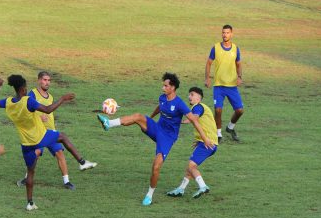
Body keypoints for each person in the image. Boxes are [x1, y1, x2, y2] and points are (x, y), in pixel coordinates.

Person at [97, 73, 214, 206]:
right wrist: (150, 118)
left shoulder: (180, 104)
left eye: (166, 86)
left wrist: (205, 139)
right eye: (163, 85)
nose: (163, 88)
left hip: (168, 138)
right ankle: (109, 124)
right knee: (138, 116)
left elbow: (194, 120)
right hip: (157, 129)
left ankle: (149, 195)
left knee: (156, 166)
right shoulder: (162, 98)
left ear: (173, 87)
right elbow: (160, 107)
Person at [0, 75, 97, 210]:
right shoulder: (28, 101)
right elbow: (48, 109)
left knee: (30, 172)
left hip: (26, 144)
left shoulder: (9, 102)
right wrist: (62, 98)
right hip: (40, 137)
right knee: (62, 136)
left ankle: (30, 203)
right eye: (25, 87)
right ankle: (82, 163)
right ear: (23, 89)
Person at [17, 71, 77, 190]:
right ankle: (26, 178)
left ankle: (67, 182)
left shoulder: (50, 97)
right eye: (45, 80)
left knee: (60, 153)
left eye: (49, 80)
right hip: (38, 133)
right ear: (39, 80)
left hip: (51, 132)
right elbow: (25, 111)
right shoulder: (32, 94)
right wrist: (39, 117)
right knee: (36, 154)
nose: (47, 82)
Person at [167, 87, 218, 199]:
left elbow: (194, 118)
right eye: (189, 94)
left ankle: (203, 186)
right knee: (189, 168)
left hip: (207, 143)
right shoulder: (201, 108)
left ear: (199, 97)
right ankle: (180, 189)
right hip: (207, 143)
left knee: (191, 166)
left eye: (192, 94)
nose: (189, 97)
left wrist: (180, 121)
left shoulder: (198, 107)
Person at [205, 24, 244, 142]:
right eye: (223, 32)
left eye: (227, 33)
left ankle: (230, 128)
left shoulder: (235, 48)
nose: (225, 35)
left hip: (232, 86)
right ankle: (218, 134)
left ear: (231, 34)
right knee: (218, 110)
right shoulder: (215, 48)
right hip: (219, 86)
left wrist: (239, 77)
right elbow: (208, 63)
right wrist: (207, 78)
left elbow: (239, 64)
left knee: (240, 110)